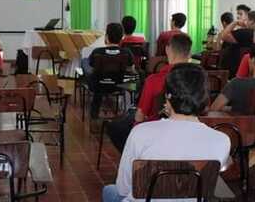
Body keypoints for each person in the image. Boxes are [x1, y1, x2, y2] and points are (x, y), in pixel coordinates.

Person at [102, 64, 230, 202]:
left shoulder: (140, 133)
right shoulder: (222, 140)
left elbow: (123, 188)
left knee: (110, 190)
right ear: (205, 98)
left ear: (167, 97)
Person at [104, 34, 192, 153]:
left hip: (154, 131)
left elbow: (139, 117)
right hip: (189, 132)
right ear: (189, 53)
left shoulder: (154, 80)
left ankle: (133, 156)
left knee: (116, 126)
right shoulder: (198, 79)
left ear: (167, 50)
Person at [86, 23, 134, 121]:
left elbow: (91, 66)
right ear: (121, 38)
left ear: (106, 37)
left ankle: (94, 114)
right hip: (120, 85)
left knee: (85, 62)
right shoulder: (127, 52)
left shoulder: (97, 52)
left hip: (98, 85)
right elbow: (132, 69)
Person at [219, 10, 255, 76]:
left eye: (246, 20)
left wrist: (235, 23)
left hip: (234, 68)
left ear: (251, 21)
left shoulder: (245, 32)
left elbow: (224, 36)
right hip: (250, 70)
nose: (244, 22)